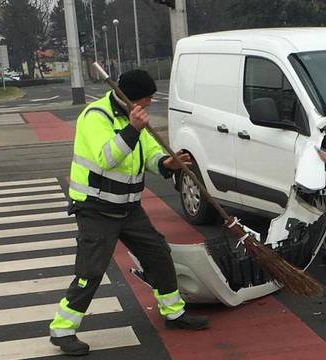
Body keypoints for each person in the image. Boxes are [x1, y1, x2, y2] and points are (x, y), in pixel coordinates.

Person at [49, 69, 209, 356]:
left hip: (128, 207)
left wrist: (165, 163)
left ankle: (173, 312)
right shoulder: (95, 117)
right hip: (96, 207)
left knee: (158, 253)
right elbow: (107, 158)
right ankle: (62, 329)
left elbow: (147, 152)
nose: (147, 106)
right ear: (128, 98)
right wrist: (132, 129)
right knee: (92, 270)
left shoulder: (134, 115)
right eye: (144, 101)